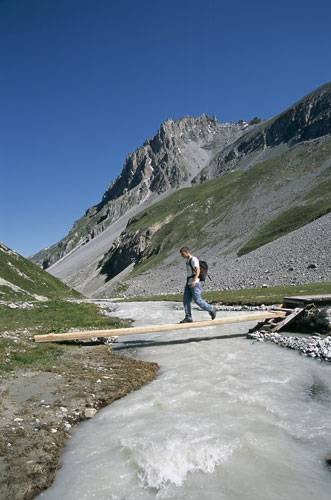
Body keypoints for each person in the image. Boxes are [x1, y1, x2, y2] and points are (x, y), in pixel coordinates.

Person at [179, 246, 216, 323]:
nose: (182, 256)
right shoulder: (187, 261)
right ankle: (188, 317)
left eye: (182, 254)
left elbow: (198, 270)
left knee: (197, 300)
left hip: (194, 283)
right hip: (188, 283)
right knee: (186, 300)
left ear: (186, 252)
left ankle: (211, 309)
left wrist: (194, 281)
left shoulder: (194, 259)